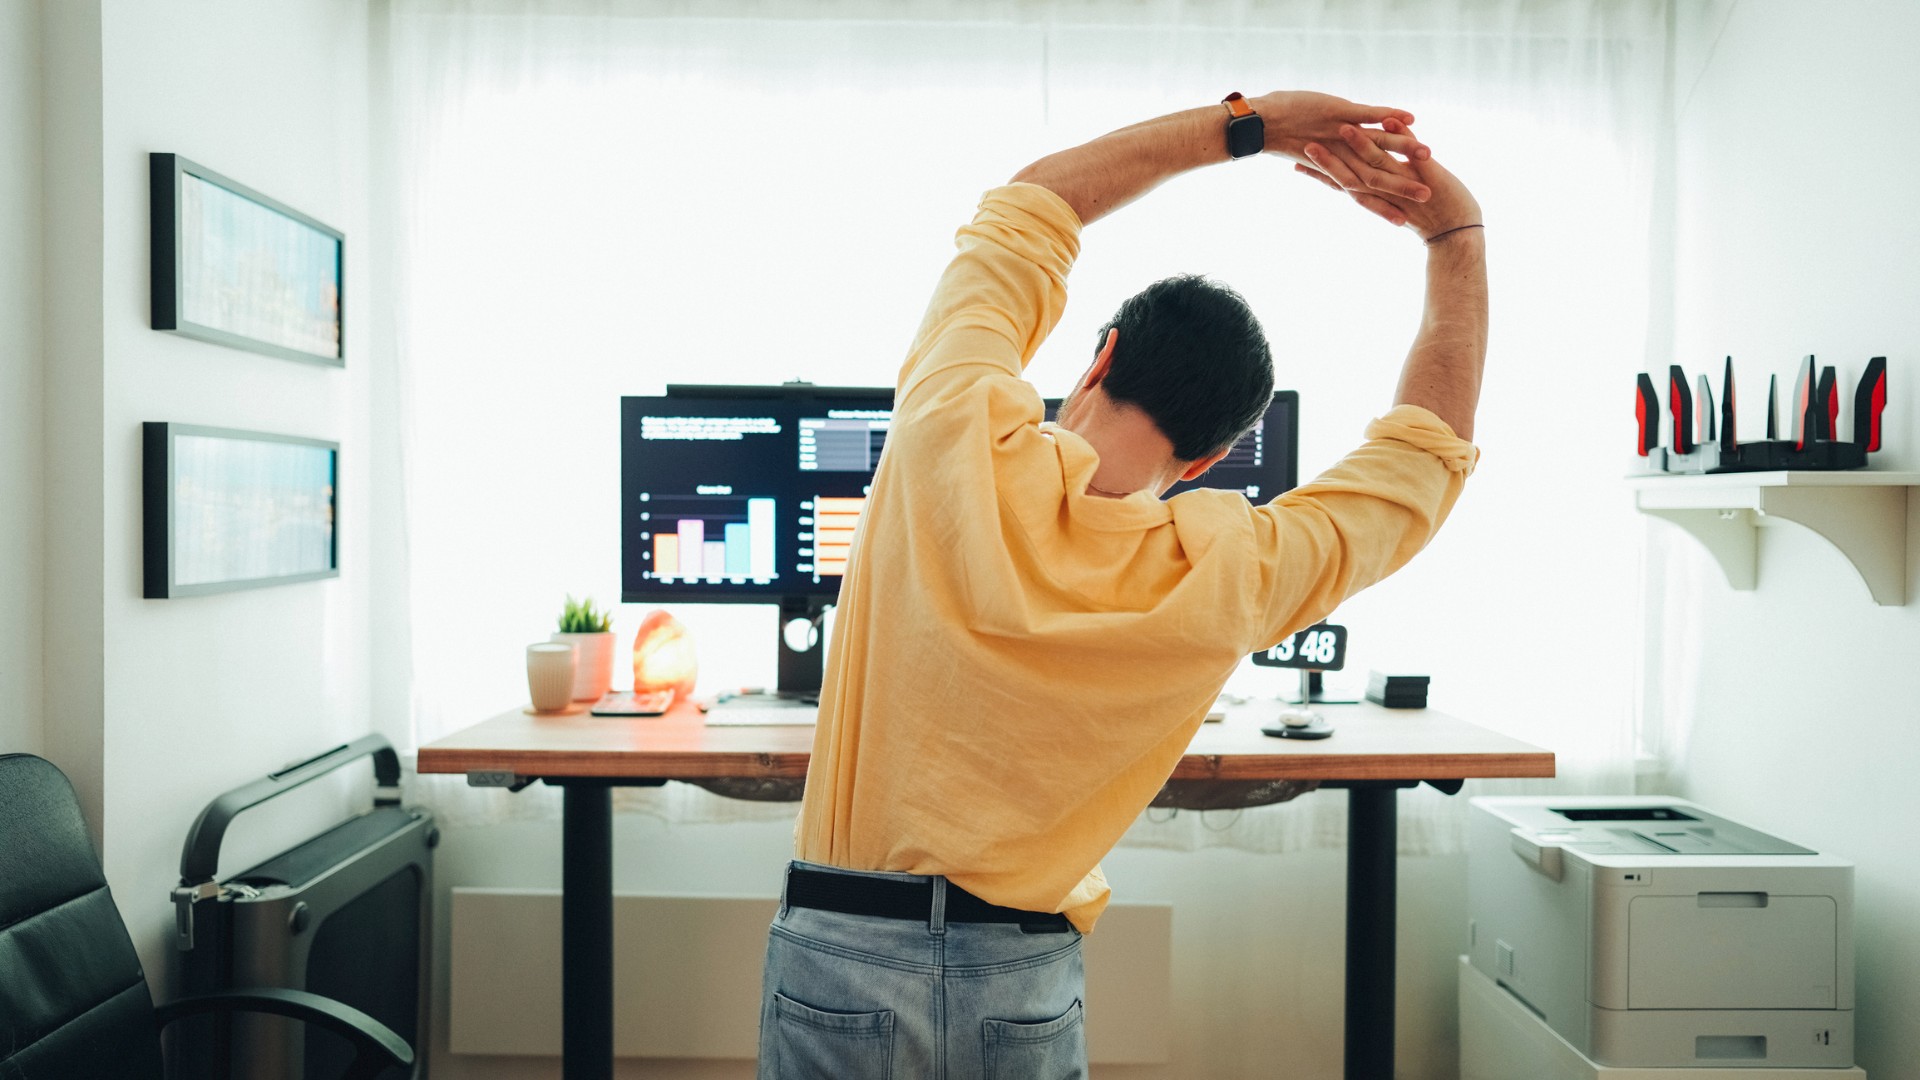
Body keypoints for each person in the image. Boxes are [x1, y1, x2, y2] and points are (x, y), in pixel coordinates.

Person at [756, 90, 1486, 1080]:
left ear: (1101, 356)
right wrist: (1452, 236)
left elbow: (1035, 205)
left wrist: (1257, 125)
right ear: (1212, 457)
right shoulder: (1233, 569)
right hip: (1020, 976)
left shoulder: (952, 428)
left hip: (844, 950)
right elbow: (1424, 459)